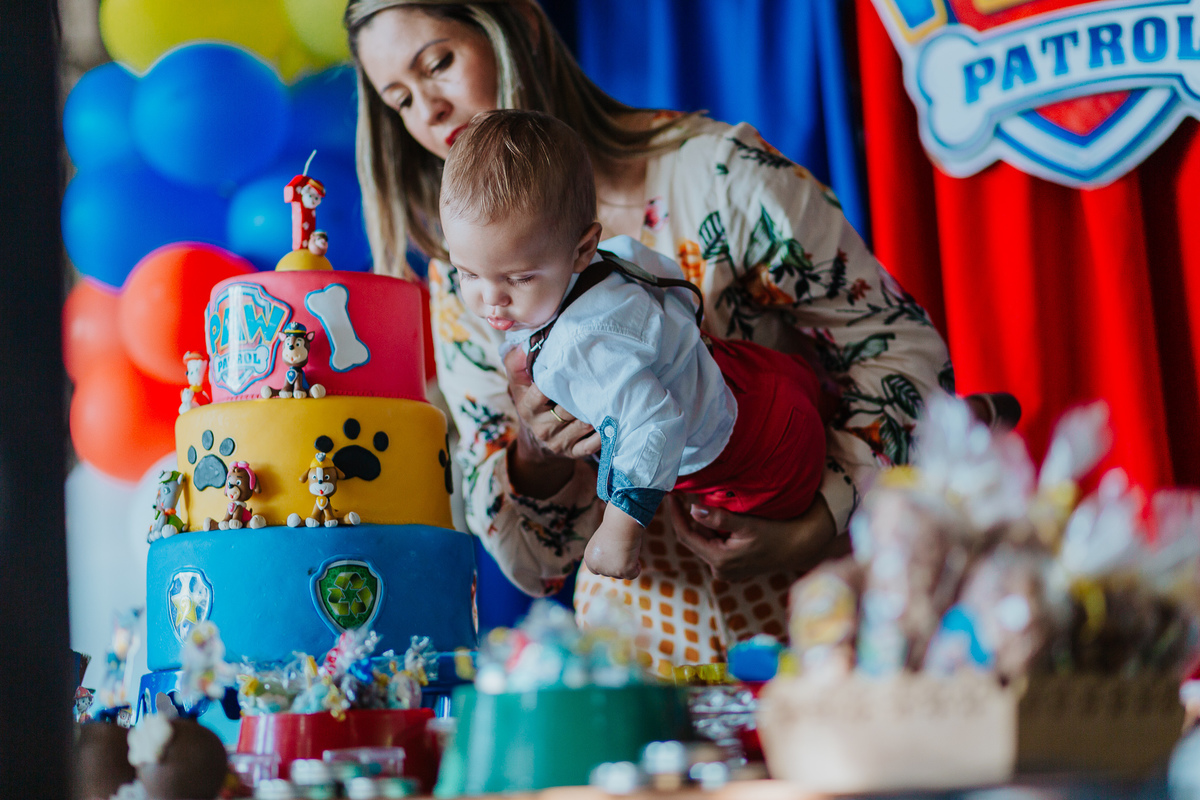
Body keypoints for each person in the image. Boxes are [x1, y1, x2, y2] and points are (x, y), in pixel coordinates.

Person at [347, 0, 955, 675]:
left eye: (439, 63)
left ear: (521, 23)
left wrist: (820, 515)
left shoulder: (719, 177)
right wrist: (536, 448)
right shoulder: (466, 280)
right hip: (630, 663)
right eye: (399, 99)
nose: (428, 109)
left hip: (820, 635)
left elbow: (904, 351)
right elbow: (533, 566)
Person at [440, 110, 828, 580]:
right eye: (466, 272)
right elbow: (667, 282)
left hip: (760, 455)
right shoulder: (609, 259)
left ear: (583, 248)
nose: (490, 298)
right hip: (757, 375)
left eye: (519, 277)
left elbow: (656, 422)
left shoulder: (576, 347)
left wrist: (619, 531)